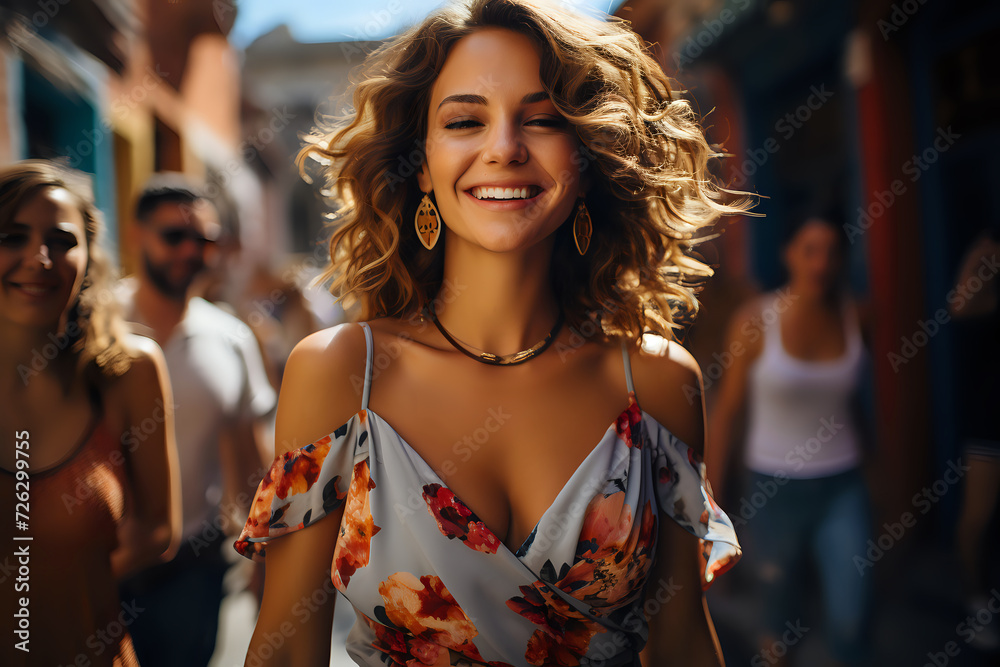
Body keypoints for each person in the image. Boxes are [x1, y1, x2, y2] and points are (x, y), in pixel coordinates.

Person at [237, 1, 748, 664]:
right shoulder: (339, 374)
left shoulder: (656, 382)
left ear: (587, 157)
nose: (504, 147)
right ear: (420, 163)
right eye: (465, 120)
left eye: (540, 119)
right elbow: (283, 650)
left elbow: (682, 645)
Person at [0, 159, 180, 666]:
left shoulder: (129, 371)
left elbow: (157, 531)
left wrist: (53, 588)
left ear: (88, 257)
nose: (39, 259)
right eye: (11, 236)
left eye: (61, 241)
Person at [115, 174, 277, 667]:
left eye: (205, 240)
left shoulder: (231, 339)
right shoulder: (94, 325)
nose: (191, 251)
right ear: (136, 234)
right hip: (101, 567)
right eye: (174, 236)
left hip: (194, 569)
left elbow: (251, 463)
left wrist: (265, 558)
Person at [706, 212, 873, 666]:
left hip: (844, 485)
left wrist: (880, 476)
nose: (822, 262)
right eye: (810, 250)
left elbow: (855, 405)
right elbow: (728, 415)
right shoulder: (755, 322)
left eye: (833, 252)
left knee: (851, 613)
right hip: (774, 488)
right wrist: (714, 508)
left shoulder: (857, 315)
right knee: (778, 623)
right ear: (789, 255)